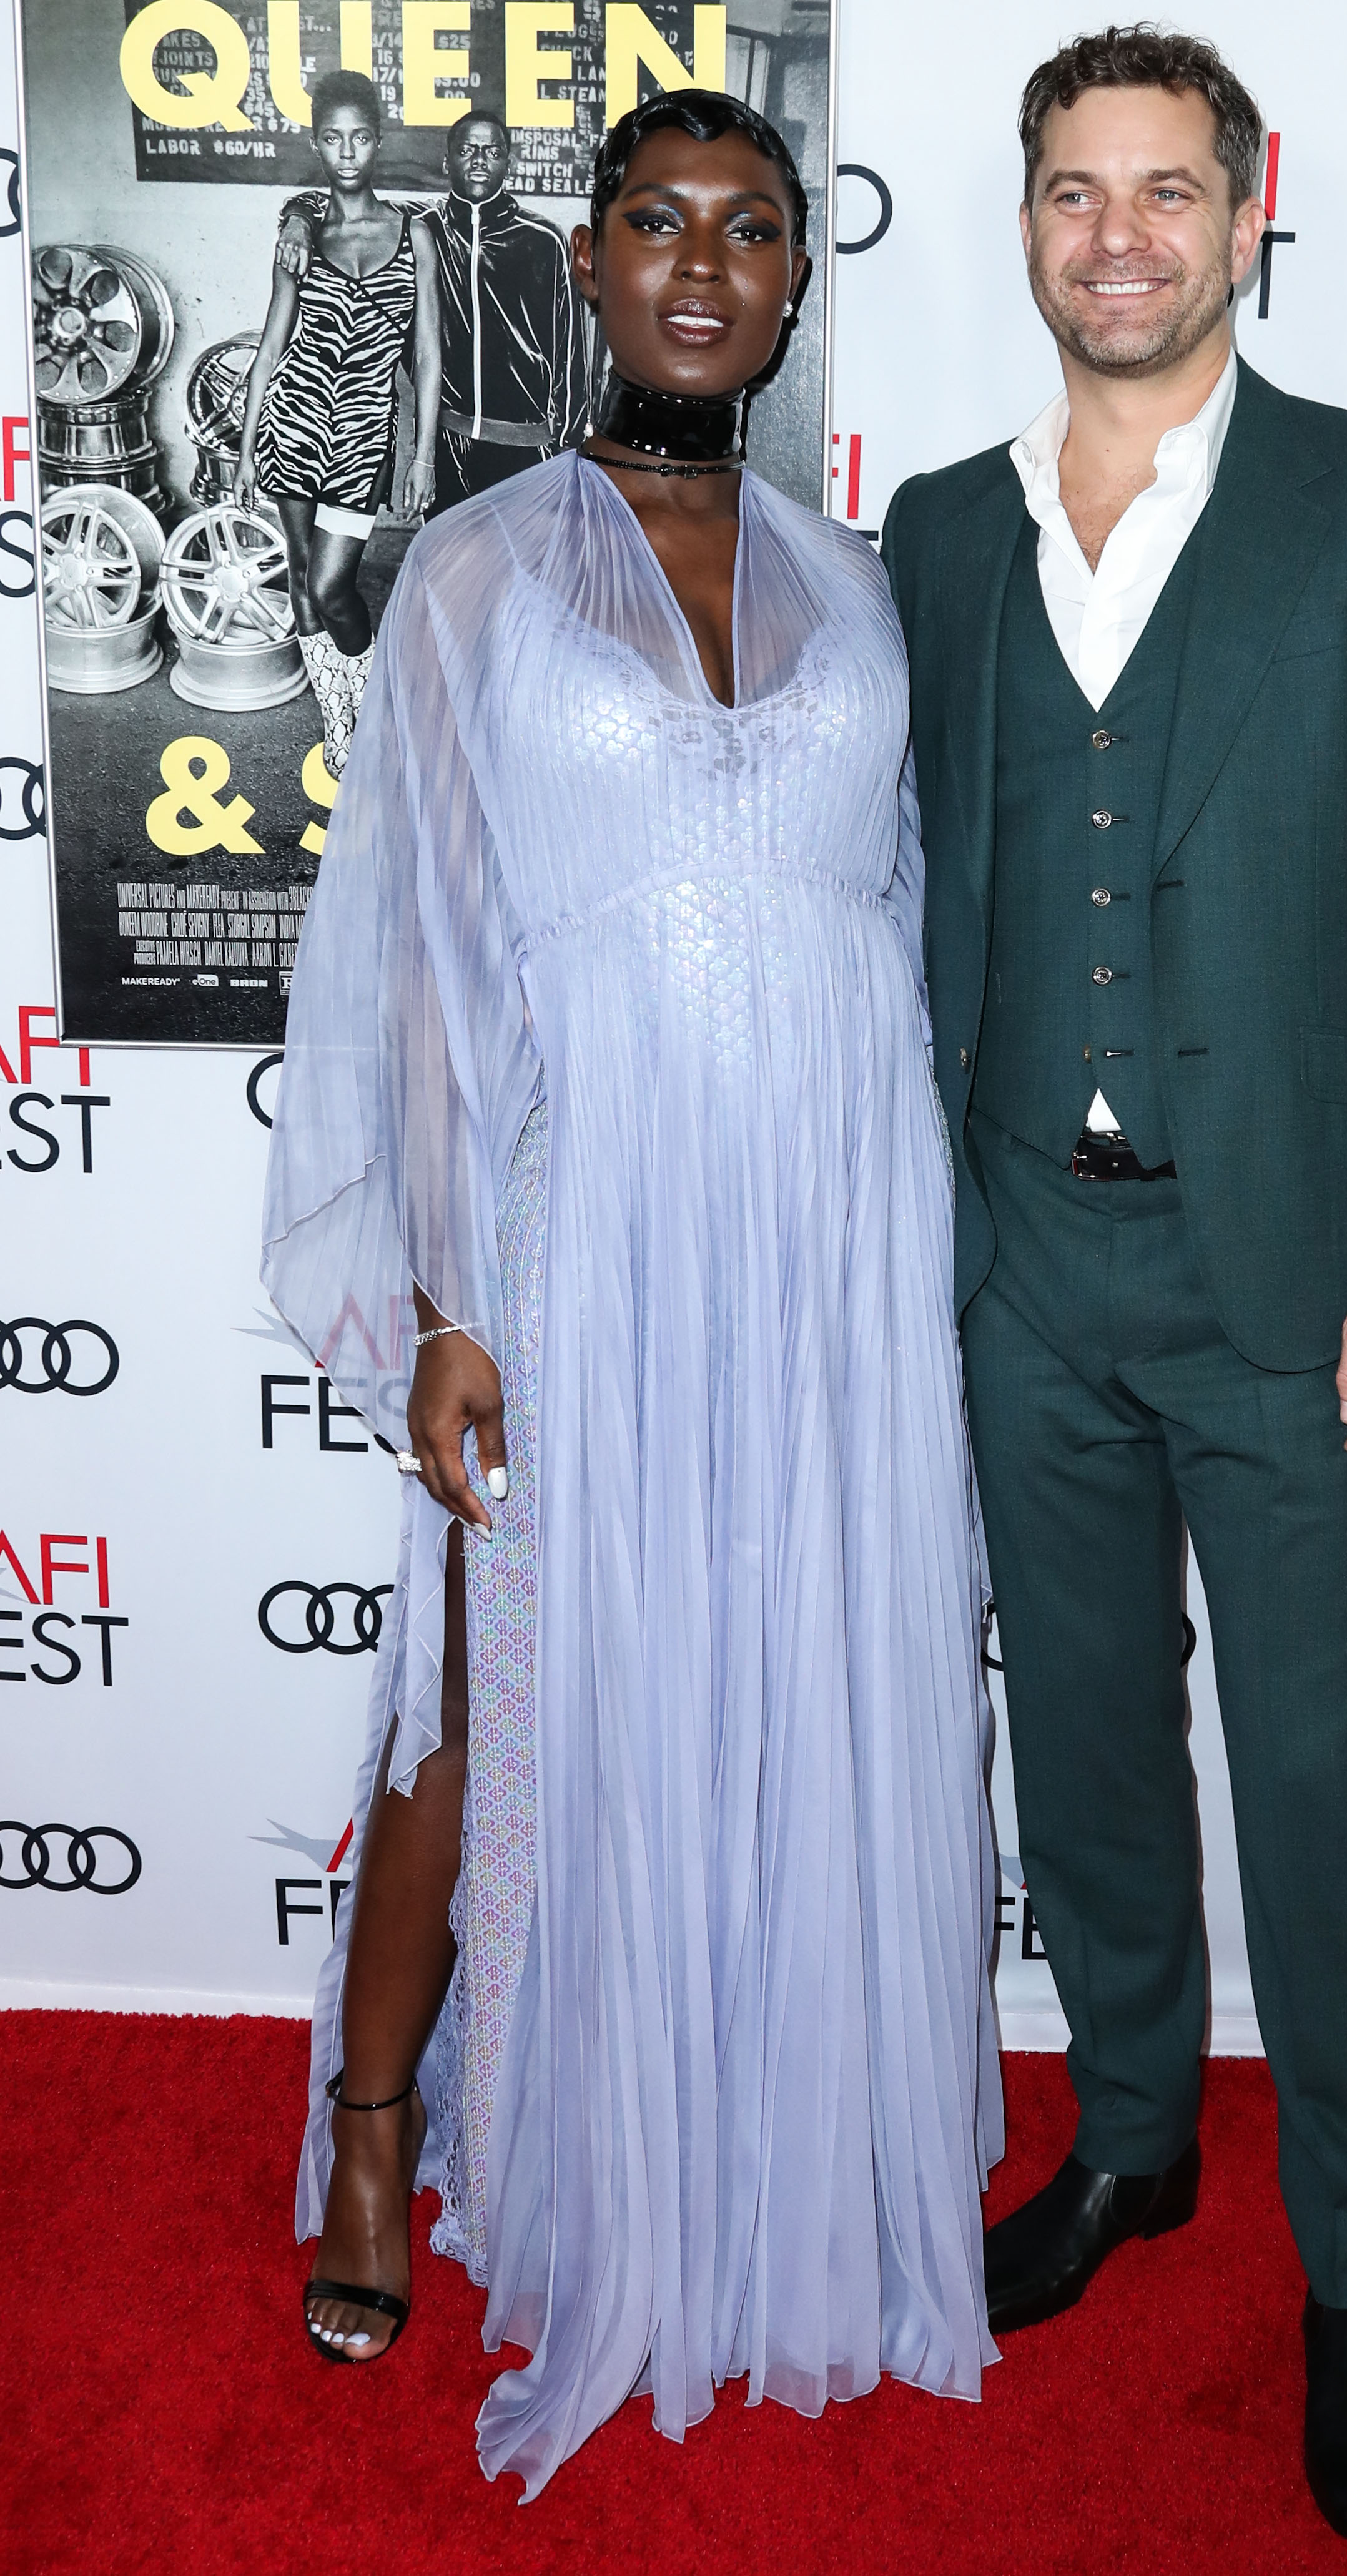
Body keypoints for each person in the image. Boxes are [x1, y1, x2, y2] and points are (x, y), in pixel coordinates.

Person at [261, 87, 999, 2500]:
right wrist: (456, 1296)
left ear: (797, 286)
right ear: (584, 266)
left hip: (824, 1234)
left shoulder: (858, 580)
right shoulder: (472, 573)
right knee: (495, 1690)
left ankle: (756, 2139)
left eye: (751, 231)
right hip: (583, 1226)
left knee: (793, 1671)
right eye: (658, 225)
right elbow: (431, 967)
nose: (703, 264)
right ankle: (374, 2119)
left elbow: (892, 918)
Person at [879, 24, 1347, 2547]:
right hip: (1018, 1259)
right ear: (1025, 220)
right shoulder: (935, 531)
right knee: (1081, 1751)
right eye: (1074, 191)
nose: (1117, 234)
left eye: (1167, 188)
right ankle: (1129, 2136)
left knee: (1306, 1782)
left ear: (1250, 212)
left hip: (1291, 1286)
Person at [235, 71, 440, 774]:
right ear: (316, 144)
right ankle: (340, 728)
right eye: (332, 137)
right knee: (299, 577)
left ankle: (374, 704)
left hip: (359, 439)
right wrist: (243, 447)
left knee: (331, 588)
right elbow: (271, 343)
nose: (347, 150)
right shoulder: (302, 234)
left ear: (377, 141)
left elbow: (428, 354)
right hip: (291, 424)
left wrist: (422, 458)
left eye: (359, 137)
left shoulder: (415, 231)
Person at [275, 109, 591, 518]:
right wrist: (298, 217)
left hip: (524, 446)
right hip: (447, 444)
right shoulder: (421, 227)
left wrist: (568, 447)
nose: (479, 159)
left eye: (492, 151)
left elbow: (569, 349)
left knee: (520, 569)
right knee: (448, 566)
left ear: (507, 164)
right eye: (467, 150)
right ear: (447, 162)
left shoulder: (543, 240)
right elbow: (345, 200)